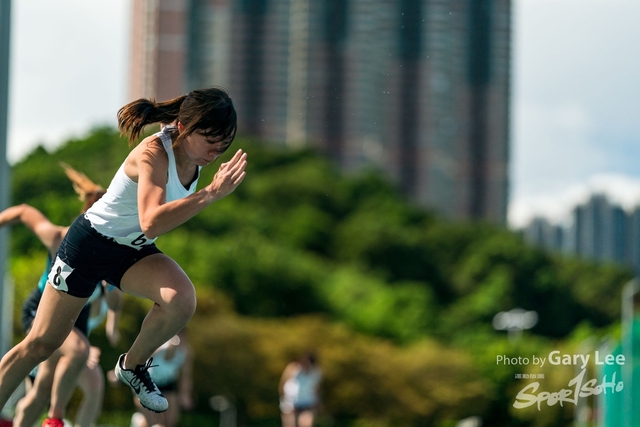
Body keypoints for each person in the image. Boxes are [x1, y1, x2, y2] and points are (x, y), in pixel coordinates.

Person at [0, 87, 246, 420]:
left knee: (182, 300)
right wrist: (209, 195)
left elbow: (145, 230)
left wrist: (208, 192)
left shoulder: (198, 156)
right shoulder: (154, 152)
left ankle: (132, 366)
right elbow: (150, 221)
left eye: (224, 142)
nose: (217, 150)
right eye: (211, 139)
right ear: (185, 127)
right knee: (42, 344)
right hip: (89, 245)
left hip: (129, 251)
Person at [0, 163, 112, 427]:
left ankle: (45, 417)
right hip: (42, 308)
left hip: (77, 319)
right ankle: (55, 419)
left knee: (46, 391)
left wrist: (113, 295)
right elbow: (24, 211)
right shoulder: (59, 237)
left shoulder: (112, 252)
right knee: (77, 351)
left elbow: (110, 307)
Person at [127, 329, 193, 427]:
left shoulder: (186, 352)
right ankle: (138, 421)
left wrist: (185, 394)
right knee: (151, 422)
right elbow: (138, 359)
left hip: (167, 383)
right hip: (147, 383)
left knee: (170, 422)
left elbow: (186, 375)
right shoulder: (159, 346)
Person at [279, 351, 322, 427]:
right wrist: (285, 400)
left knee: (307, 424)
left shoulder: (316, 371)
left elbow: (316, 387)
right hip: (290, 402)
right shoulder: (292, 368)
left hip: (307, 402)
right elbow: (282, 384)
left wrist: (317, 401)